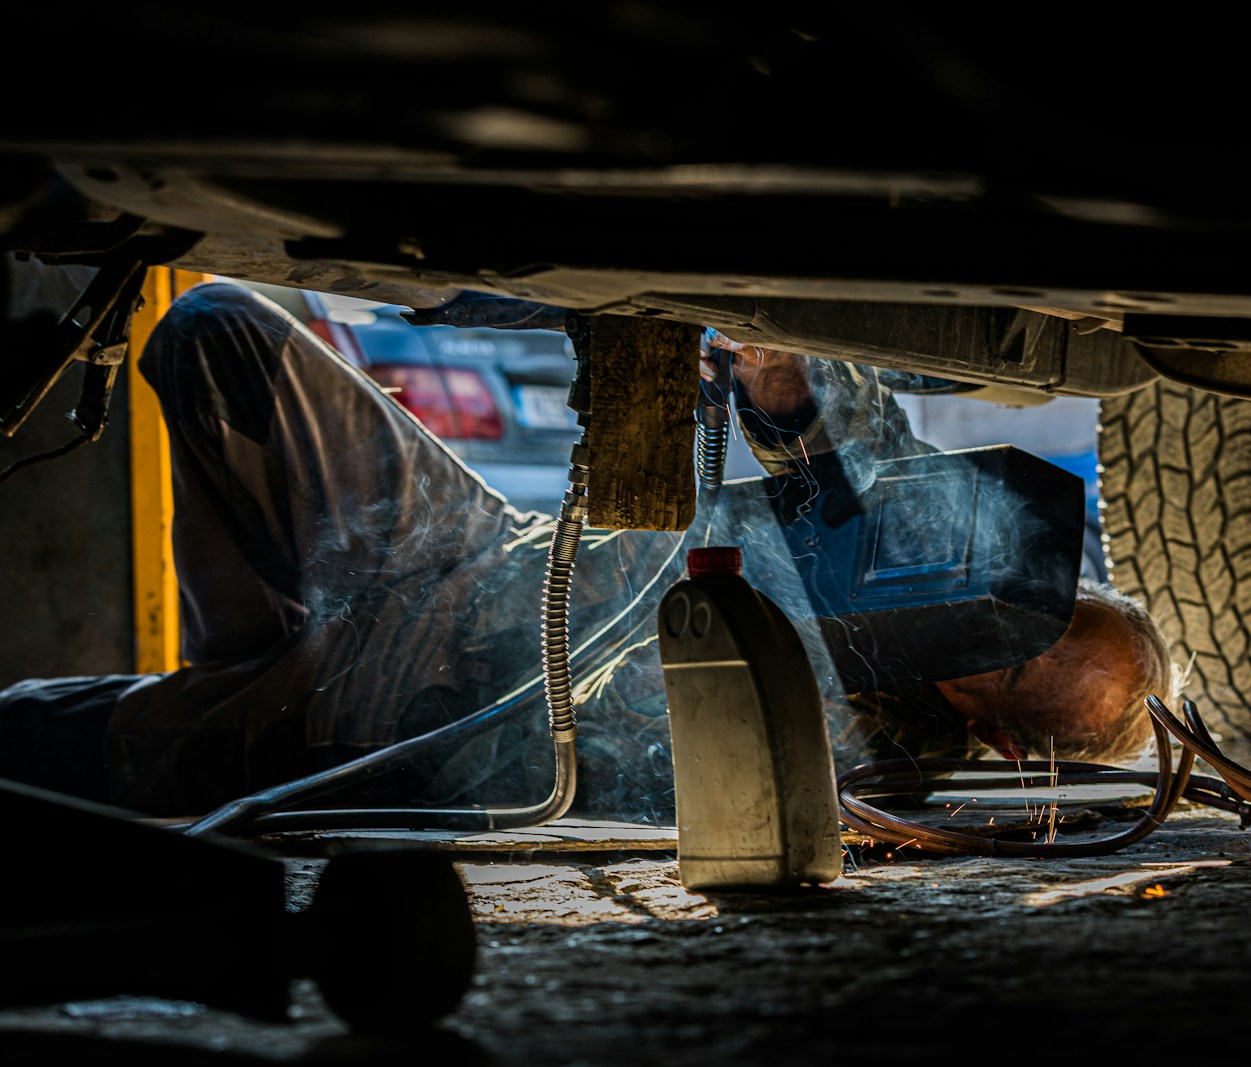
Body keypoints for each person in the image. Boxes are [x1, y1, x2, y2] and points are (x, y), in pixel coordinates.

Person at [0, 277, 1178, 823]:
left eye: (1018, 656)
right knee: (213, 329)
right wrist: (784, 376)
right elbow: (852, 450)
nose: (1001, 609)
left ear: (1005, 742)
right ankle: (251, 655)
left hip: (394, 710)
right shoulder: (927, 560)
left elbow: (646, 784)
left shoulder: (872, 776)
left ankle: (245, 689)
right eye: (1045, 599)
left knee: (28, 748)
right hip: (466, 552)